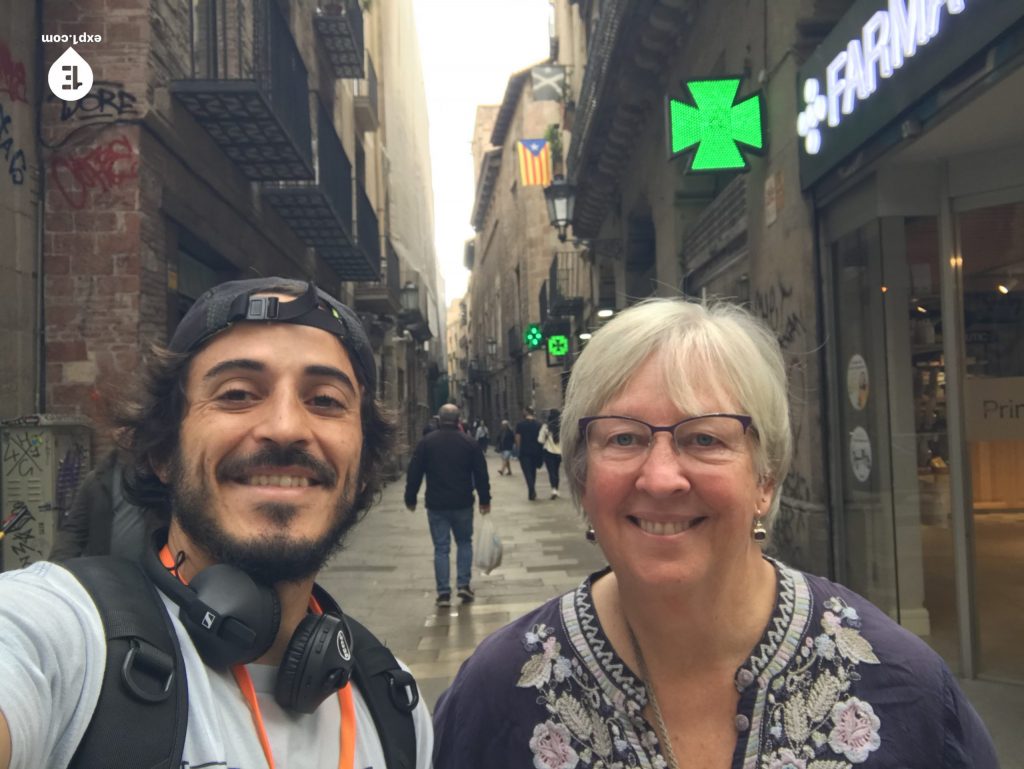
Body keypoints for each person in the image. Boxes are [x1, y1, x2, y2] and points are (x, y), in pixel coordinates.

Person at [433, 298, 997, 769]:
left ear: (766, 479)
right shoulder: (499, 692)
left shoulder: (900, 686)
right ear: (583, 475)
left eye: (705, 439)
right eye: (624, 438)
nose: (660, 477)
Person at [0, 278, 433, 769]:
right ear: (165, 450)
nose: (286, 427)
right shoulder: (61, 640)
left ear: (361, 467)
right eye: (237, 393)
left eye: (326, 400)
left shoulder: (396, 706)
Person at [405, 404, 491, 608]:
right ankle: (463, 584)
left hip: (436, 504)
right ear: (458, 420)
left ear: (438, 420)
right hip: (462, 502)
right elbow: (481, 473)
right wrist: (485, 499)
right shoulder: (469, 443)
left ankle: (443, 593)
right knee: (464, 542)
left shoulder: (427, 443)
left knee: (441, 548)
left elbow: (414, 471)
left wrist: (411, 497)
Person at [49, 447, 155, 562]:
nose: (123, 431)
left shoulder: (159, 477)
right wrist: (54, 568)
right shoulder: (96, 480)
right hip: (106, 572)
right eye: (117, 428)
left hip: (151, 572)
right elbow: (73, 532)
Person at [514, 407, 543, 501]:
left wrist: (518, 449)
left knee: (527, 472)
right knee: (533, 471)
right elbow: (541, 438)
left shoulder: (520, 425)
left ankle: (531, 489)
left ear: (526, 412)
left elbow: (518, 438)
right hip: (536, 451)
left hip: (524, 451)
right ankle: (531, 492)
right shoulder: (539, 425)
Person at [537, 408, 562, 499]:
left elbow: (540, 440)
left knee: (551, 472)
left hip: (549, 452)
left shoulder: (546, 427)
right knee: (556, 471)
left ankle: (553, 489)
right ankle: (557, 489)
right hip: (559, 453)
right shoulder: (562, 427)